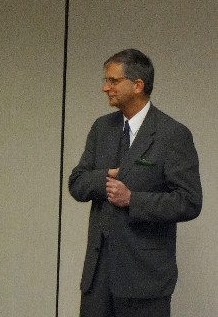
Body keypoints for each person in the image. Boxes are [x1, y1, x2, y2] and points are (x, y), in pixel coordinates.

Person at [69, 49, 202, 317]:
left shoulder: (172, 134)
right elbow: (77, 182)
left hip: (145, 277)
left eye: (113, 81)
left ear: (138, 85)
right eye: (106, 80)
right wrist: (105, 177)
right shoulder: (101, 128)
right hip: (99, 276)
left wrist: (133, 199)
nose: (106, 88)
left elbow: (189, 201)